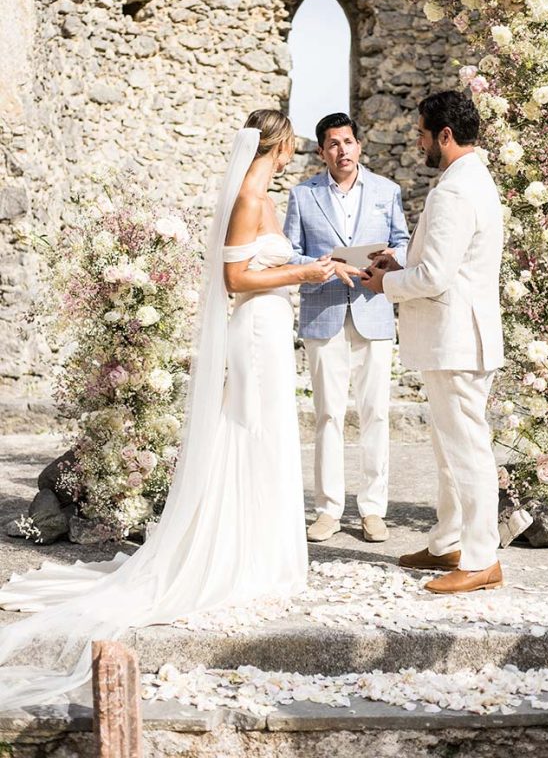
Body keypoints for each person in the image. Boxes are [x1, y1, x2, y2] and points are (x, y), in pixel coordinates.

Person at [0, 109, 334, 710]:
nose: (295, 156)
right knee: (253, 437)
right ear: (277, 143)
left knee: (269, 440)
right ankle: (245, 558)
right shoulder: (250, 197)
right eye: (292, 146)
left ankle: (264, 552)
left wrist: (306, 274)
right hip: (254, 333)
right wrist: (305, 270)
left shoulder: (262, 195)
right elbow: (234, 278)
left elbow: (259, 269)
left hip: (268, 328)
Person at [361, 90, 505, 593]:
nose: (418, 140)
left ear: (445, 135)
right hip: (458, 337)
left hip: (457, 341)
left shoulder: (454, 192)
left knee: (467, 450)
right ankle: (448, 543)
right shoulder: (471, 181)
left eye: (423, 132)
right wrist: (400, 263)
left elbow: (438, 277)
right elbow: (449, 263)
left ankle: (483, 558)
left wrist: (385, 284)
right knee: (449, 447)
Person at [284, 113, 410, 544]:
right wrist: (325, 265)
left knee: (375, 412)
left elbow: (405, 242)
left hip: (373, 309)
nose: (342, 150)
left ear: (359, 146)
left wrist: (393, 256)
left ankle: (373, 510)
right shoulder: (302, 196)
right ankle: (327, 510)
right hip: (324, 313)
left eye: (348, 141)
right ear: (321, 152)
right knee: (329, 414)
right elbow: (290, 255)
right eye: (333, 144)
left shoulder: (386, 191)